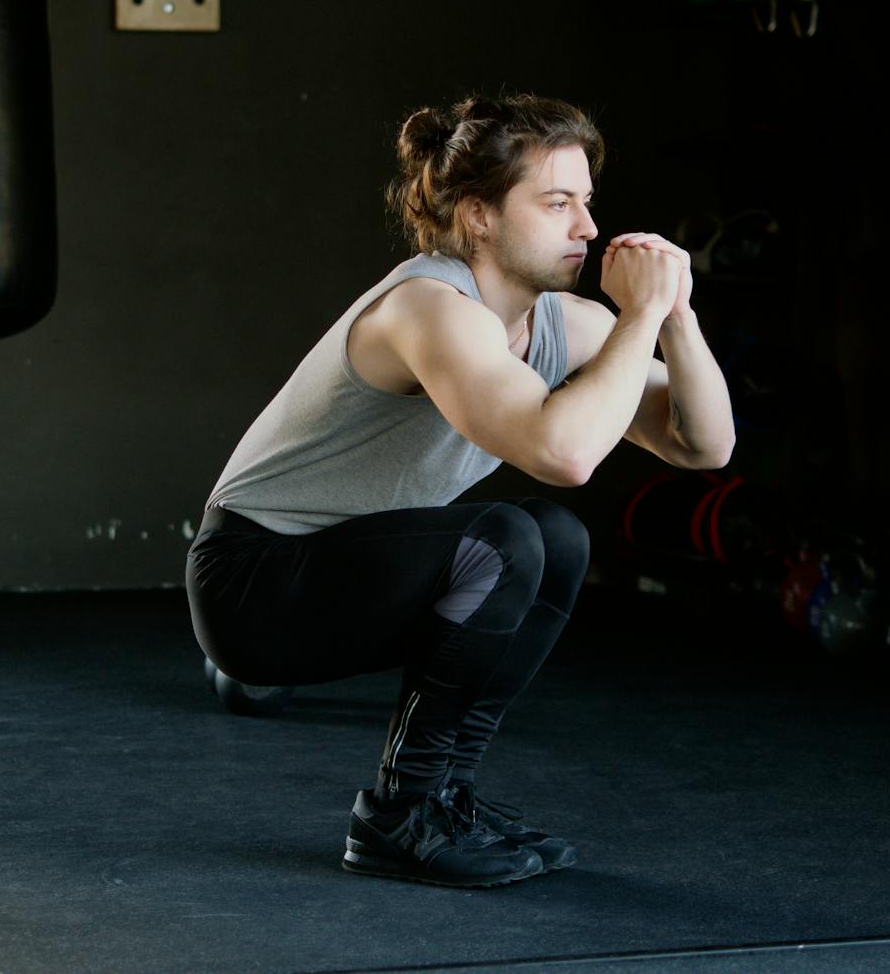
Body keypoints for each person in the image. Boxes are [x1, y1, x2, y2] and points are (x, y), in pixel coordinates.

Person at [185, 93, 736, 888]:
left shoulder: (554, 322)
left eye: (587, 202)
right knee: (505, 538)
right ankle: (398, 813)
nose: (587, 226)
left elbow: (704, 442)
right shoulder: (429, 308)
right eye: (557, 203)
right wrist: (639, 314)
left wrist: (675, 317)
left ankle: (445, 797)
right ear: (478, 216)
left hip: (346, 572)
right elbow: (565, 453)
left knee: (557, 538)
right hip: (251, 583)